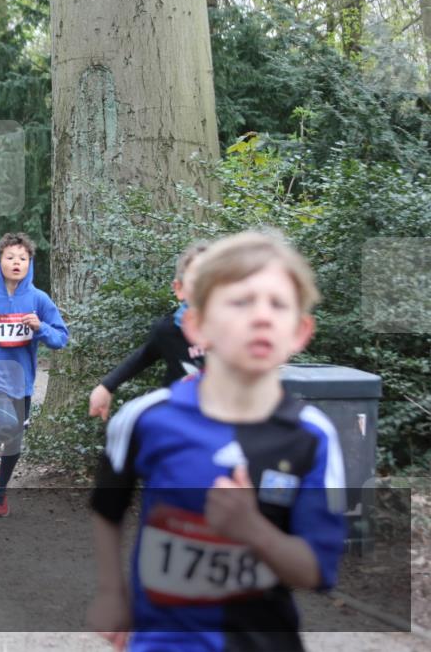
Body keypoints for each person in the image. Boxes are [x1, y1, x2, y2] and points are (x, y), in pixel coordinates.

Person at [88, 231, 346, 652]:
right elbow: (106, 509)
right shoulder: (144, 419)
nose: (261, 317)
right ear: (196, 324)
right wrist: (111, 592)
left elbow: (318, 571)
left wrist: (252, 530)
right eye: (240, 302)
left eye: (278, 304)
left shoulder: (312, 436)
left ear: (300, 332)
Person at [0, 232, 69, 516]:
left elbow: (60, 338)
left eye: (23, 258)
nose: (17, 262)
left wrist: (40, 327)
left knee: (16, 436)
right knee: (8, 423)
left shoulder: (38, 299)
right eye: (10, 257)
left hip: (23, 379)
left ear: (30, 263)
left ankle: (0, 493)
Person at [88, 241, 210, 421]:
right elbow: (143, 356)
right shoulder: (168, 330)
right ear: (179, 289)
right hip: (179, 416)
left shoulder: (237, 329)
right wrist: (106, 387)